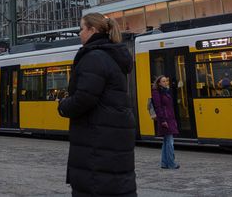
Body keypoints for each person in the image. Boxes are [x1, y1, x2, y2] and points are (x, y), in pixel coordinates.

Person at [57, 13, 135, 197]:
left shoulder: (94, 57)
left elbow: (84, 98)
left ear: (92, 30)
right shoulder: (113, 56)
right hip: (112, 138)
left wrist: (63, 105)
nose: (79, 33)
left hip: (96, 140)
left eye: (81, 29)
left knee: (95, 187)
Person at [151, 75, 179, 170]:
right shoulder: (156, 92)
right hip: (165, 119)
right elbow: (158, 107)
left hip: (169, 118)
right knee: (170, 142)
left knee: (166, 141)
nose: (165, 83)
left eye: (166, 81)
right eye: (163, 81)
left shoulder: (165, 91)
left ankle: (164, 163)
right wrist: (163, 120)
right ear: (159, 83)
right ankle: (171, 163)